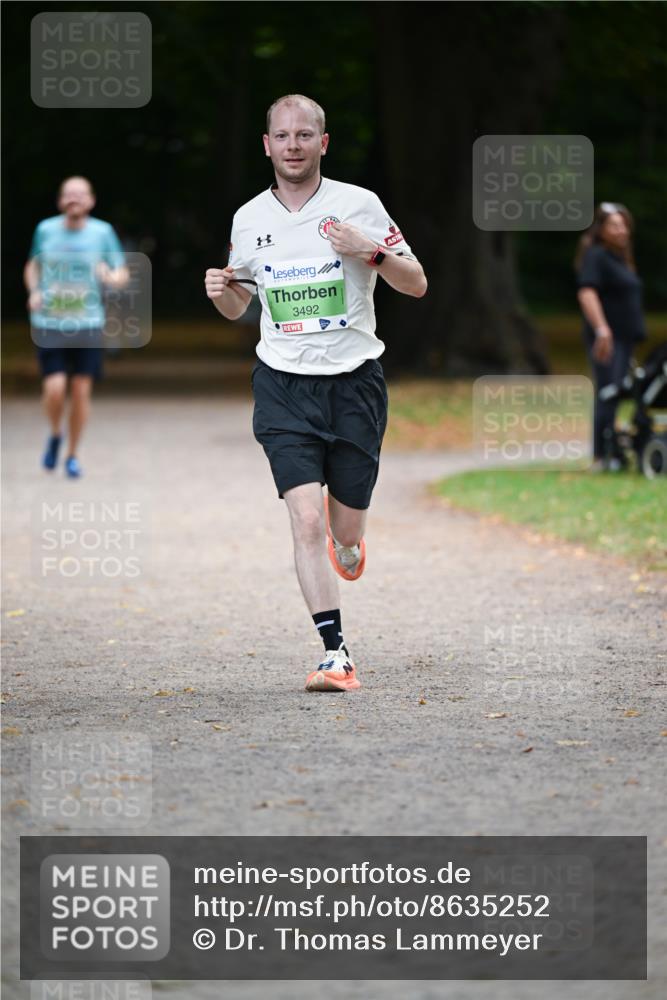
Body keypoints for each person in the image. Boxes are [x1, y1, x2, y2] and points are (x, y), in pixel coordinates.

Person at [205, 94, 427, 692]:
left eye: (306, 135)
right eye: (283, 136)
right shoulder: (249, 218)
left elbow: (416, 283)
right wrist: (220, 289)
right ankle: (335, 653)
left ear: (322, 143)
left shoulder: (360, 205)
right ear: (267, 144)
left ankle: (348, 542)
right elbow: (238, 307)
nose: (294, 145)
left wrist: (370, 251)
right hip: (282, 386)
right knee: (304, 520)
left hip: (354, 383)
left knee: (343, 530)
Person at [24, 176, 128, 477]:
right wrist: (34, 291)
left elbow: (121, 273)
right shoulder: (45, 229)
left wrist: (109, 276)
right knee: (55, 388)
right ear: (60, 201)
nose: (74, 199)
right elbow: (33, 265)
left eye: (80, 194)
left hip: (88, 322)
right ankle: (56, 433)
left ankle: (72, 454)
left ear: (91, 200)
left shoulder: (103, 232)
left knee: (81, 392)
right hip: (50, 321)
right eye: (68, 194)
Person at [575, 201, 647, 471]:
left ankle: (612, 452)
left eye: (624, 224)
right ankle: (600, 456)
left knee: (615, 393)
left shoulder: (620, 259)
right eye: (614, 225)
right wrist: (602, 329)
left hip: (625, 339)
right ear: (601, 230)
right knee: (607, 393)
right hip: (608, 340)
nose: (621, 230)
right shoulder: (596, 256)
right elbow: (587, 292)